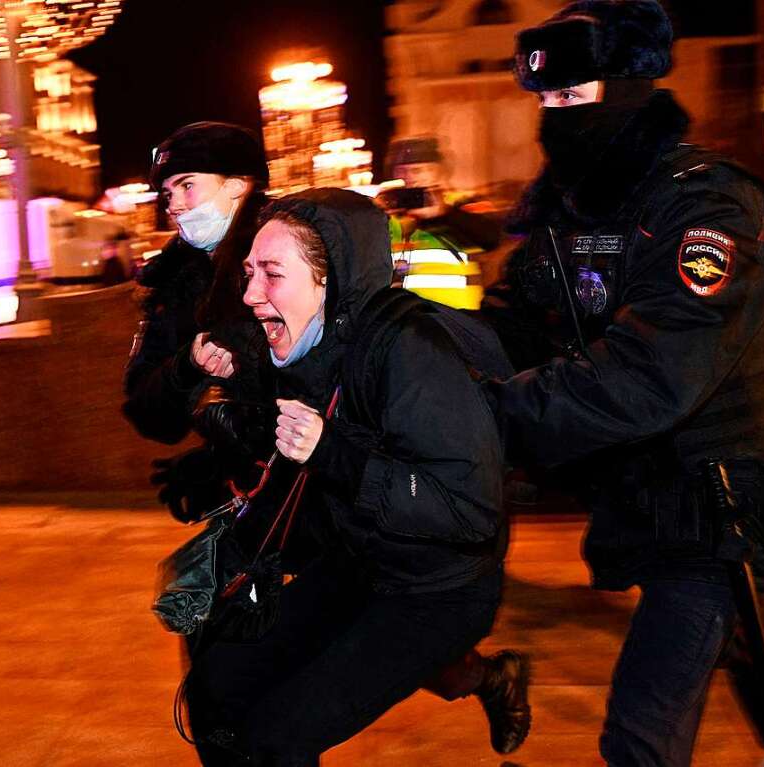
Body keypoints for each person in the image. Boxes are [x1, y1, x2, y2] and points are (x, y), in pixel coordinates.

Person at [481, 2, 764, 764]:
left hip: (720, 514)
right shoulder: (567, 212)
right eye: (544, 101)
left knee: (640, 737)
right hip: (648, 500)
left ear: (628, 90)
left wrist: (487, 413)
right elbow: (507, 325)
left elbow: (650, 376)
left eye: (572, 98)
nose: (554, 118)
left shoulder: (705, 206)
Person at [185, 188, 521, 764]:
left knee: (279, 738)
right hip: (361, 563)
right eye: (248, 274)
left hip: (437, 591)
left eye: (271, 274)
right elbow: (291, 456)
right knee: (216, 684)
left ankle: (493, 677)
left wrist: (333, 453)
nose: (250, 294)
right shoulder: (313, 342)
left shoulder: (412, 352)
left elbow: (467, 511)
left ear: (330, 279)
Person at [122, 121, 272, 522]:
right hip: (253, 497)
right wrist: (186, 367)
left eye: (188, 185)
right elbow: (146, 411)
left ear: (237, 184)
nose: (174, 204)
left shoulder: (293, 258)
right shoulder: (173, 283)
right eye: (168, 192)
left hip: (320, 490)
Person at [378, 136, 504, 309]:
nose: (410, 178)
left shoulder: (461, 205)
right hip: (410, 322)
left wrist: (442, 215)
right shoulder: (392, 214)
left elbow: (491, 238)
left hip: (457, 319)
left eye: (418, 170)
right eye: (402, 172)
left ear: (438, 171)